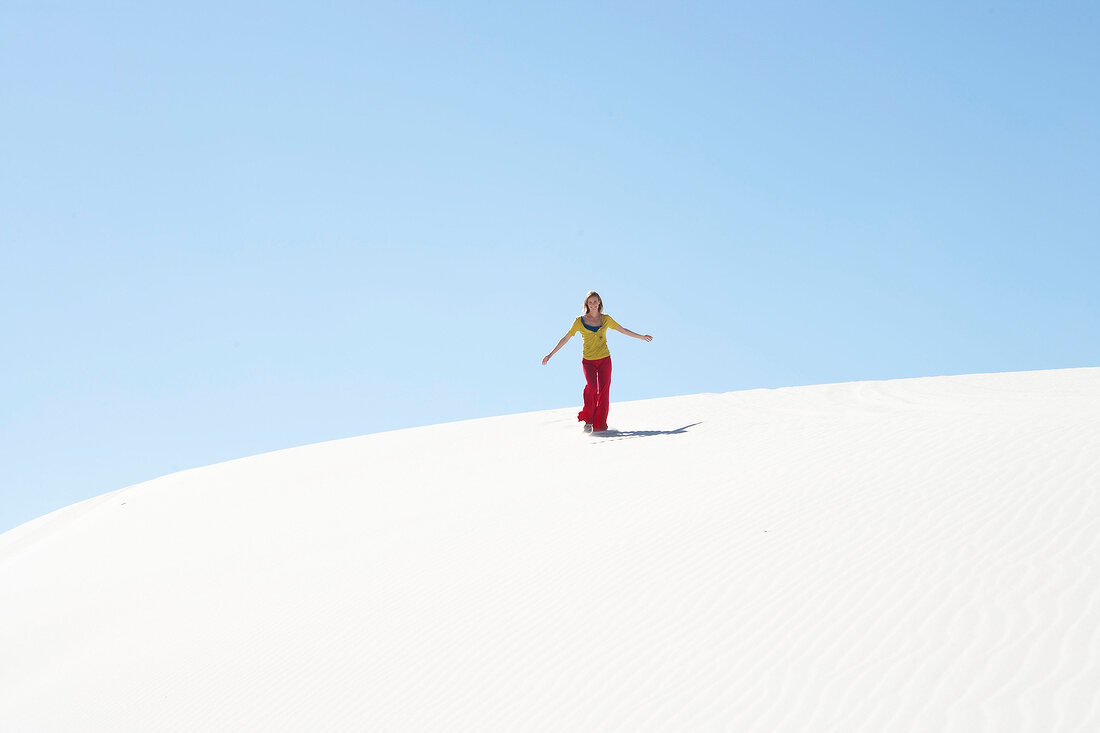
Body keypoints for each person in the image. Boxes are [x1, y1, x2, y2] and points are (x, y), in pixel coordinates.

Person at [542, 291, 653, 433]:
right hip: (588, 361)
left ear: (599, 302)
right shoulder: (579, 321)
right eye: (590, 302)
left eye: (595, 301)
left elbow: (623, 330)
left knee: (604, 392)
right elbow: (565, 338)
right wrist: (550, 354)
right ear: (586, 305)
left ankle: (600, 426)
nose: (593, 304)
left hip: (605, 360)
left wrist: (641, 337)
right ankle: (589, 420)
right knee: (592, 387)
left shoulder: (606, 319)